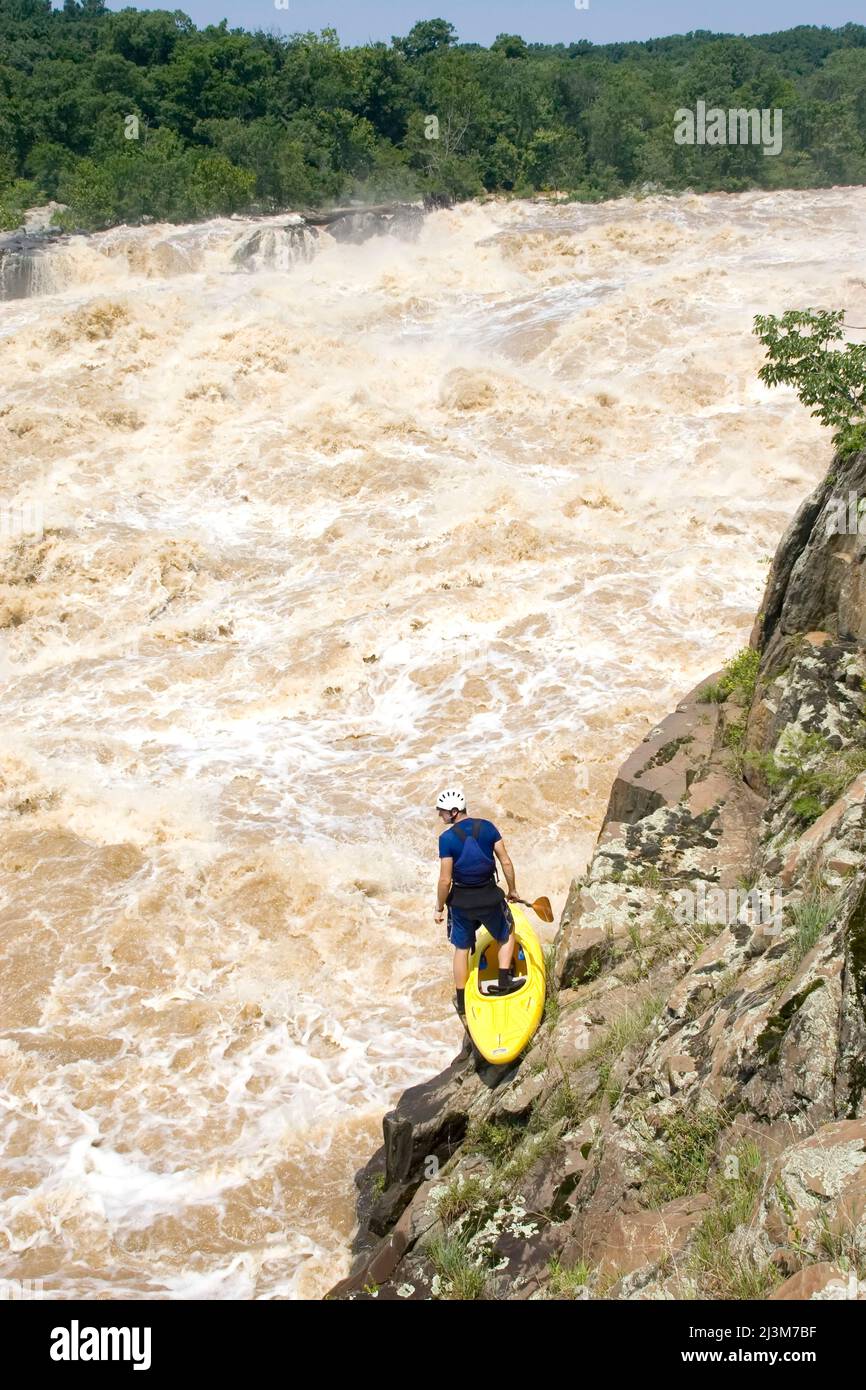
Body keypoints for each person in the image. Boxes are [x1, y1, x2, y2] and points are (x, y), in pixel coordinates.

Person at [433, 788, 525, 1018]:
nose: (440, 816)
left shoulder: (446, 839)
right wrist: (512, 889)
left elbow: (445, 880)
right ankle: (504, 981)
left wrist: (439, 907)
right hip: (489, 897)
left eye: (442, 812)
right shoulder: (488, 827)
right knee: (506, 934)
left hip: (461, 903)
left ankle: (463, 1001)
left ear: (454, 812)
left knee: (461, 949)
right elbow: (505, 862)